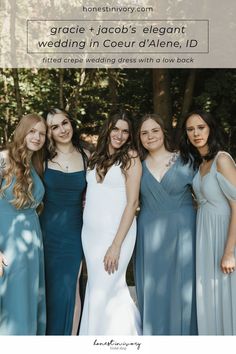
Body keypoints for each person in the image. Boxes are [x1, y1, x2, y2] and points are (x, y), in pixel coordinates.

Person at [79, 112, 142, 335]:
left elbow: (132, 203)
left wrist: (115, 245)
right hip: (90, 235)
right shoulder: (94, 156)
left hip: (117, 235)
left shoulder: (131, 158)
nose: (120, 135)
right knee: (96, 287)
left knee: (111, 287)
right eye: (116, 129)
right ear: (108, 130)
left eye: (125, 131)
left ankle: (123, 340)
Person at [135, 114, 198, 335]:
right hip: (149, 233)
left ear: (163, 132)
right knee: (153, 288)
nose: (150, 136)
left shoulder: (186, 159)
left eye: (154, 130)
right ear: (139, 138)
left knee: (183, 285)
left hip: (184, 232)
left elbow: (205, 193)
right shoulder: (136, 166)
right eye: (144, 132)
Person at [179, 110, 236, 335]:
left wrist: (230, 252)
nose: (196, 133)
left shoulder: (222, 159)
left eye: (201, 127)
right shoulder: (201, 163)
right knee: (210, 297)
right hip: (205, 236)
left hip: (225, 237)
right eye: (190, 129)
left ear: (210, 128)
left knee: (227, 295)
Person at [40, 108, 89, 335]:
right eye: (54, 127)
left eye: (65, 123)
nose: (62, 130)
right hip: (46, 232)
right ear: (48, 133)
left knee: (70, 288)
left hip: (75, 233)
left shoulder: (87, 156)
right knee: (48, 289)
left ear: (72, 123)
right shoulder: (41, 159)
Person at [0, 113, 47, 335]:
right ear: (22, 131)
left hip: (32, 243)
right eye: (32, 131)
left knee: (28, 300)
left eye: (42, 133)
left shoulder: (35, 163)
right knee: (11, 303)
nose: (37, 137)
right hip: (8, 242)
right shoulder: (3, 159)